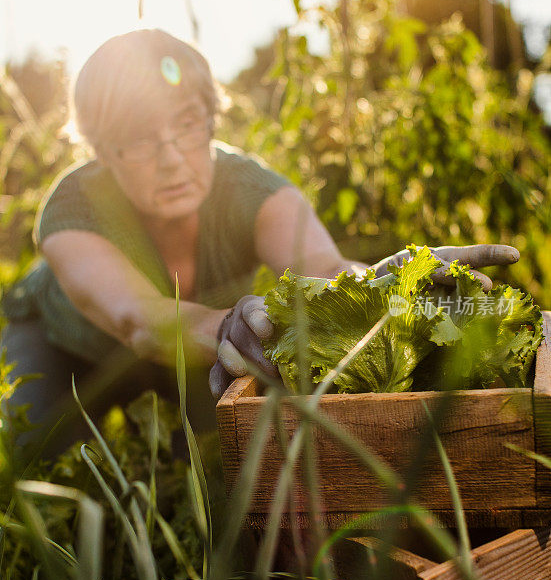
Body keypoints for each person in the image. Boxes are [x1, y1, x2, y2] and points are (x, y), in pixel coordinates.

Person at [0, 28, 520, 463]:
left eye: (186, 124)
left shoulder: (253, 189)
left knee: (217, 461)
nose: (173, 158)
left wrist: (386, 280)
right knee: (34, 462)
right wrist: (228, 329)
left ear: (210, 116)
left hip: (194, 350)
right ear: (101, 150)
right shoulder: (73, 206)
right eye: (138, 139)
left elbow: (326, 268)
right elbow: (140, 318)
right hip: (68, 350)